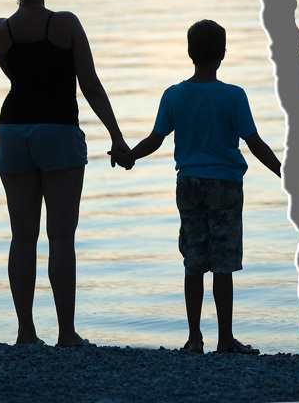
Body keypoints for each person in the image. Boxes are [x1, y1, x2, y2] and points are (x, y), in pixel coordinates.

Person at [110, 19, 281, 354]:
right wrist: (285, 173)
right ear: (223, 54)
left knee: (194, 261)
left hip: (188, 183)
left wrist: (130, 156)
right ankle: (225, 340)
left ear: (190, 53)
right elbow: (255, 143)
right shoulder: (234, 96)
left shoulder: (174, 95)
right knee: (223, 263)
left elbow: (155, 140)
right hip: (225, 186)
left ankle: (193, 339)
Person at [0, 0, 130, 347]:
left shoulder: (1, 29)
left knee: (22, 237)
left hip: (13, 130)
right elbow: (89, 85)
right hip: (58, 130)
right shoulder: (65, 24)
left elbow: (17, 76)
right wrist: (117, 138)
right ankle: (66, 333)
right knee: (61, 237)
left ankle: (25, 333)